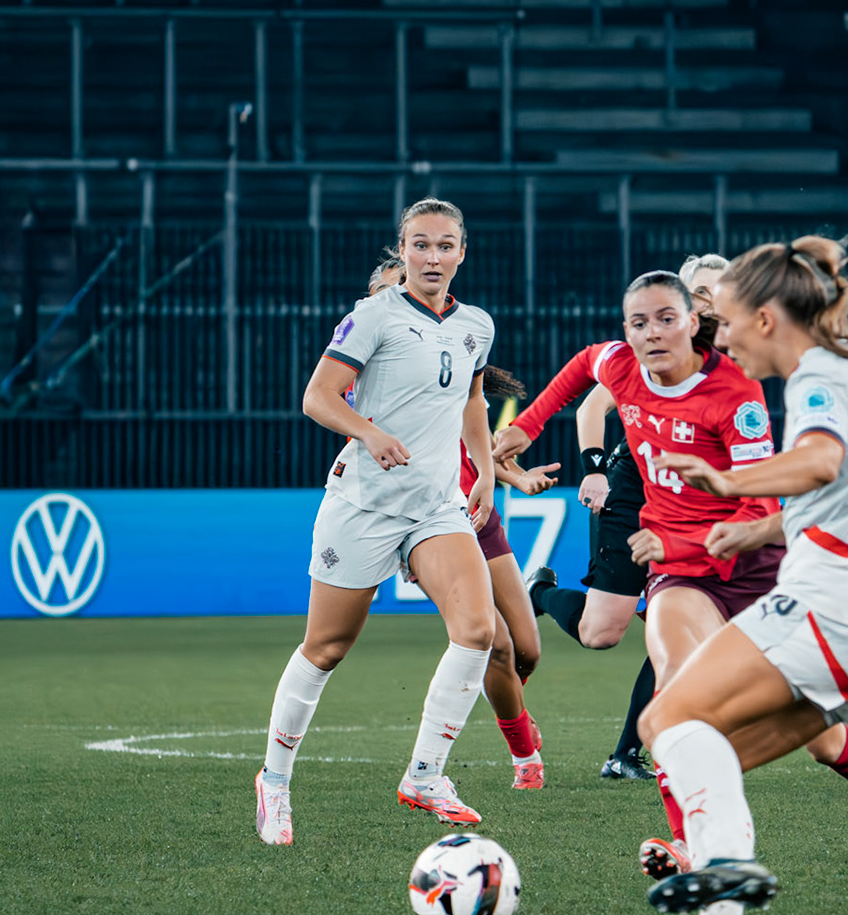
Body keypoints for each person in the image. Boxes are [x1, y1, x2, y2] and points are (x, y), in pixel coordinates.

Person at [620, 235, 848, 915]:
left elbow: (820, 459)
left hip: (832, 609)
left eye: (722, 321)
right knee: (711, 757)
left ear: (763, 319)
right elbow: (841, 485)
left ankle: (724, 873)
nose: (717, 337)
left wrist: (727, 486)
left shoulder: (816, 375)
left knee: (664, 721)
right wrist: (756, 527)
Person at [255, 199, 500, 846]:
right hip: (363, 504)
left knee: (479, 630)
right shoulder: (374, 316)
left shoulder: (476, 325)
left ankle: (426, 775)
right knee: (327, 648)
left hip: (435, 507)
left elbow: (473, 400)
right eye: (420, 245)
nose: (433, 257)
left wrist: (486, 471)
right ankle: (274, 781)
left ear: (462, 253)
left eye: (445, 245)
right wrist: (370, 432)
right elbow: (317, 397)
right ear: (404, 250)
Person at [528, 254, 733, 781]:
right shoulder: (651, 352)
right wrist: (593, 469)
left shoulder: (732, 360)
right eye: (701, 290)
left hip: (685, 510)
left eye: (718, 290)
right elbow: (591, 407)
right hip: (630, 492)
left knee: (681, 628)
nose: (711, 299)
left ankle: (627, 754)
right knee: (601, 633)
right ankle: (540, 594)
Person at [365, 261, 561, 790]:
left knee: (527, 651)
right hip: (429, 518)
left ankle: (509, 700)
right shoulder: (371, 370)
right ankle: (524, 756)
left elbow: (469, 435)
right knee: (493, 644)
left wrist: (511, 479)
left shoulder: (452, 358)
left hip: (478, 511)